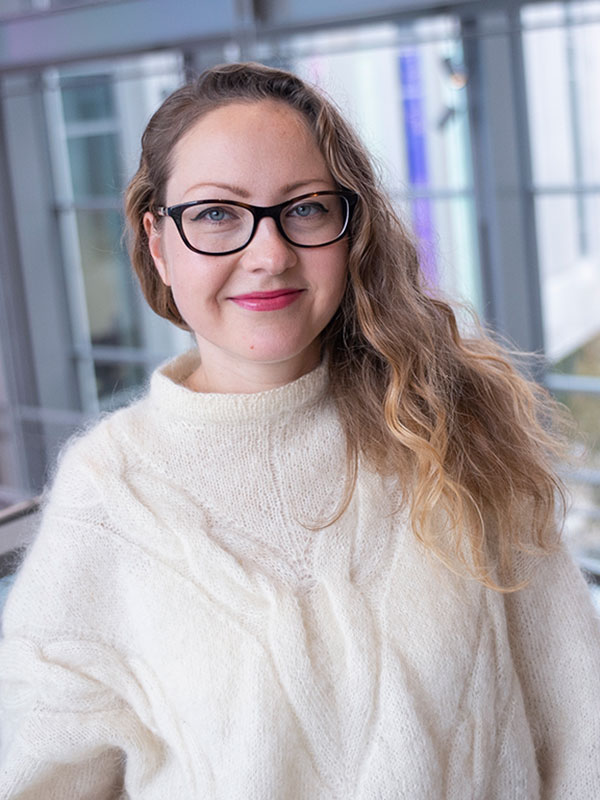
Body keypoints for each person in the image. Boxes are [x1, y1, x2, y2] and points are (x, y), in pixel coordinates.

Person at [0, 61, 599, 800]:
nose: (269, 254)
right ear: (159, 243)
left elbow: (583, 735)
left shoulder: (451, 432)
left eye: (306, 208)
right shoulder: (106, 500)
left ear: (352, 228)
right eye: (217, 213)